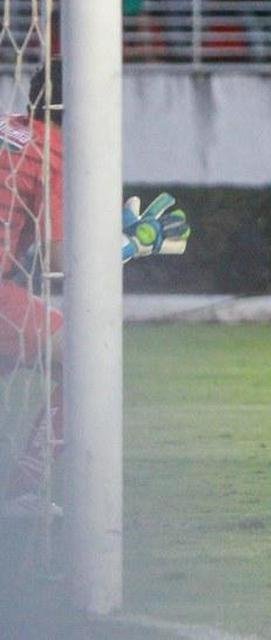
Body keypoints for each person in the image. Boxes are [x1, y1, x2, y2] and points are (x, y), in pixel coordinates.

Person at [3, 61, 191, 517]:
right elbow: (60, 259)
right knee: (87, 356)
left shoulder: (9, 128)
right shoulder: (59, 150)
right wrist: (124, 246)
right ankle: (20, 489)